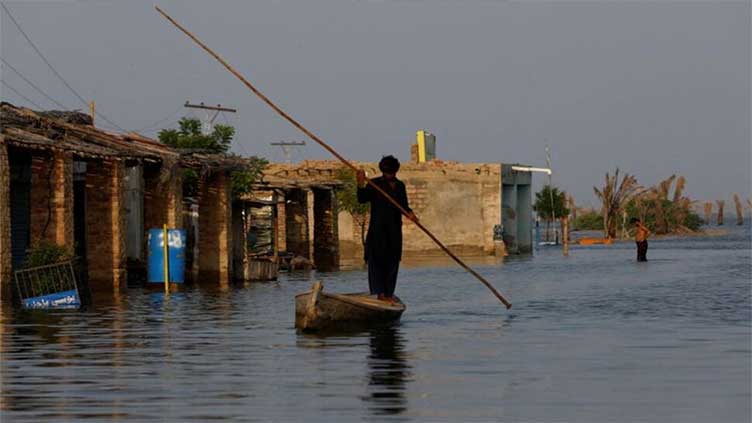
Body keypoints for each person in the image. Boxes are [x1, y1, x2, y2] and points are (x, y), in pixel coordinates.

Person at [356, 156, 417, 303]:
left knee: (392, 260)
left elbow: (403, 206)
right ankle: (379, 293)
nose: (389, 174)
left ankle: (389, 293)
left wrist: (410, 214)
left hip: (394, 230)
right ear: (383, 171)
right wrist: (360, 183)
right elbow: (362, 199)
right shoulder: (375, 184)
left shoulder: (400, 186)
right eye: (387, 172)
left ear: (395, 171)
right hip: (378, 230)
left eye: (391, 172)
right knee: (376, 261)